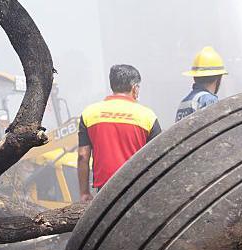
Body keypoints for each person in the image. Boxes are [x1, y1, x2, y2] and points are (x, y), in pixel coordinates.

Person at [78, 64, 160, 202]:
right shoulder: (147, 116)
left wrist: (84, 192)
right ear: (134, 88)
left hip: (105, 190)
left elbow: (82, 156)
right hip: (137, 188)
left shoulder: (90, 113)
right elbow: (158, 157)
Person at [175, 46, 227, 123]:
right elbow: (216, 131)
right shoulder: (209, 100)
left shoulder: (184, 103)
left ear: (195, 77)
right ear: (218, 78)